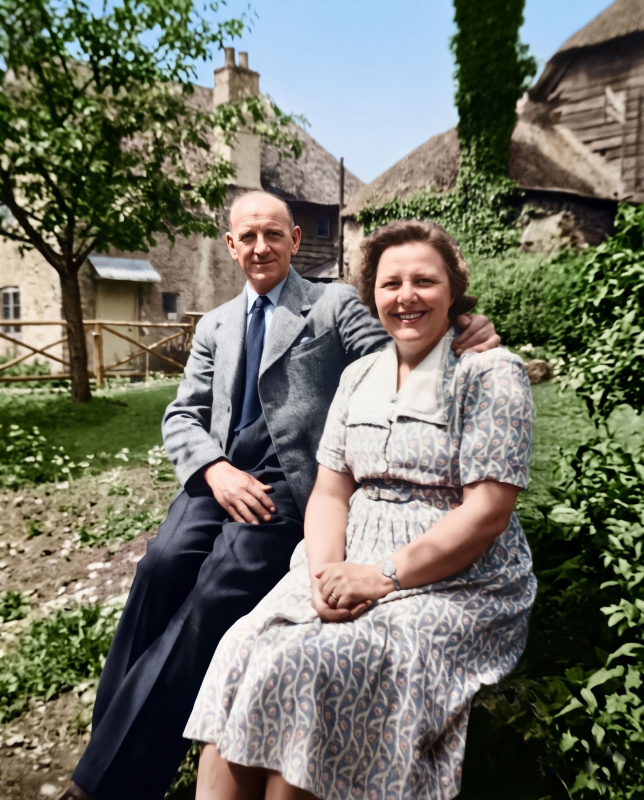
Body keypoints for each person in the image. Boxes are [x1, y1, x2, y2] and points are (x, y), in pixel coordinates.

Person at [60, 194, 500, 800]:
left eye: (273, 234)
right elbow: (182, 416)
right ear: (231, 245)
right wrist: (213, 470)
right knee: (160, 565)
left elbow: (396, 348)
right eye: (248, 237)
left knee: (219, 588)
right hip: (220, 475)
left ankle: (108, 784)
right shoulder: (215, 325)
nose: (260, 247)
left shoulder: (332, 303)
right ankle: (106, 742)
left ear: (295, 240)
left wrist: (460, 330)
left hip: (289, 481)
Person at [186, 219, 536, 800]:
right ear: (371, 293)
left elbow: (487, 514)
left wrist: (381, 576)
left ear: (454, 289)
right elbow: (330, 491)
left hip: (456, 581)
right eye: (390, 282)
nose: (406, 296)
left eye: (424, 280)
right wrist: (324, 574)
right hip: (346, 560)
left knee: (322, 664)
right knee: (244, 647)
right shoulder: (358, 376)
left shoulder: (489, 373)